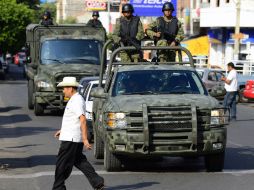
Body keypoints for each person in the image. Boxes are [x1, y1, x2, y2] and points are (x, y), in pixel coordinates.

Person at [53, 77, 104, 190]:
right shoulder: (74, 99)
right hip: (71, 136)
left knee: (61, 164)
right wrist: (63, 130)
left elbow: (82, 119)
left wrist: (85, 139)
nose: (63, 91)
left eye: (64, 88)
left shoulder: (77, 100)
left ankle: (58, 187)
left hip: (71, 139)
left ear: (70, 88)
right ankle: (97, 181)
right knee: (79, 161)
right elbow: (73, 120)